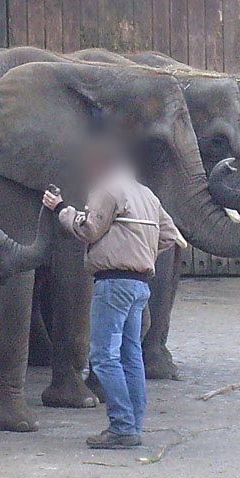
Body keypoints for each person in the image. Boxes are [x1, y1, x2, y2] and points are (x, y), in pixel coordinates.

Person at [42, 141, 186, 448]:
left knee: (104, 357)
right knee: (130, 356)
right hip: (139, 286)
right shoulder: (147, 194)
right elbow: (170, 236)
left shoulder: (107, 189)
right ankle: (133, 424)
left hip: (113, 283)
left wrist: (61, 210)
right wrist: (141, 252)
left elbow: (89, 230)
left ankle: (121, 427)